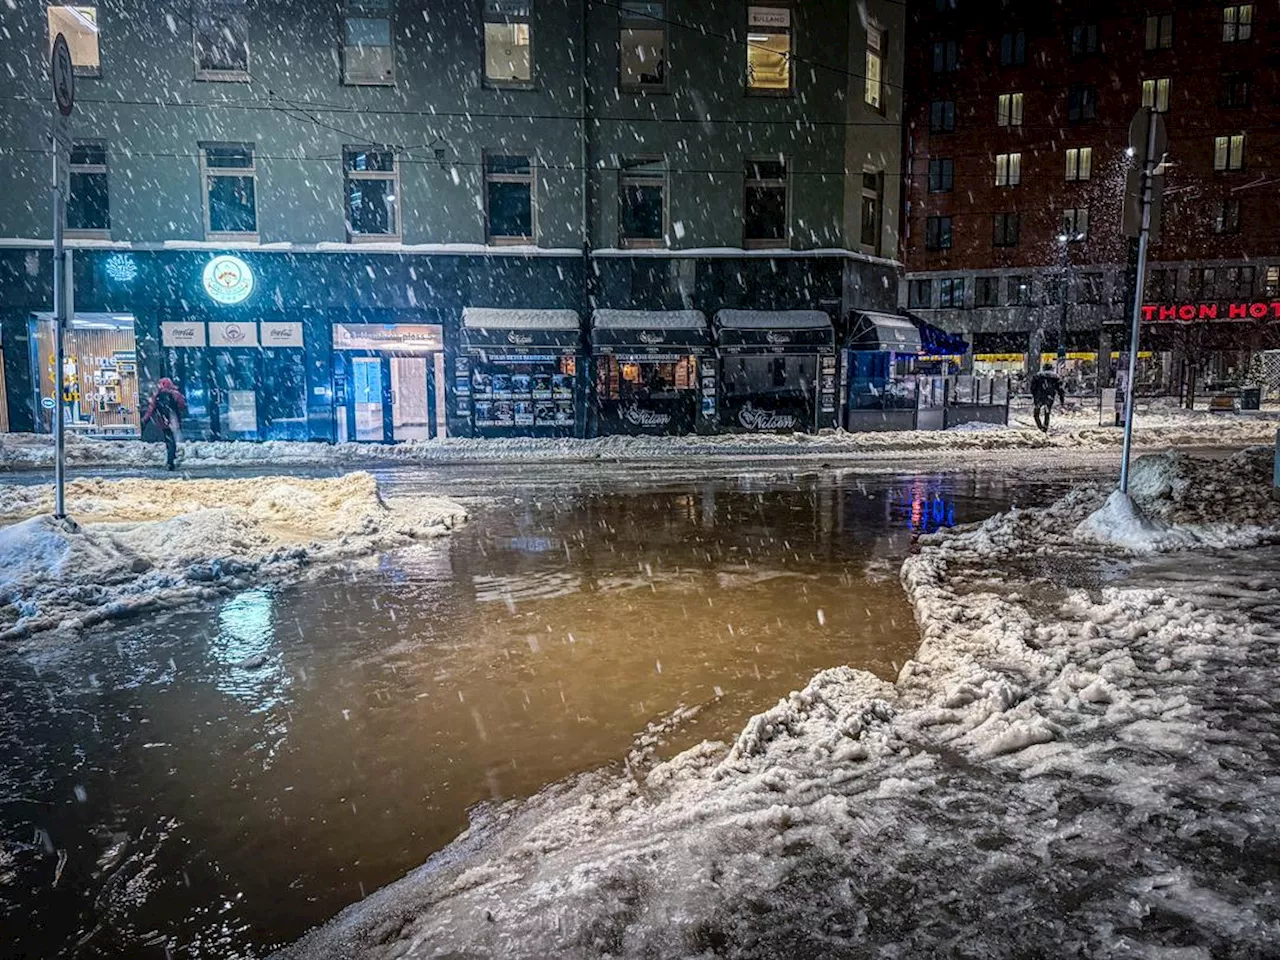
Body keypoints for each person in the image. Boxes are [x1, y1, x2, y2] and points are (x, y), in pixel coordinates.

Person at [141, 377, 187, 470]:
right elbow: (182, 406)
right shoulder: (176, 394)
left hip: (163, 421)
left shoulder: (157, 395)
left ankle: (170, 459)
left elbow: (151, 409)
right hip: (173, 420)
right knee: (172, 441)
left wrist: (145, 419)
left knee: (168, 440)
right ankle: (171, 460)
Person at [1029, 363, 1066, 433]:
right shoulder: (1055, 377)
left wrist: (1034, 395)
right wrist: (1062, 400)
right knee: (1047, 412)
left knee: (1036, 413)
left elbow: (1032, 388)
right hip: (1049, 397)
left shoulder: (1038, 376)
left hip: (1039, 396)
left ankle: (1040, 426)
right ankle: (1045, 428)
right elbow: (1060, 389)